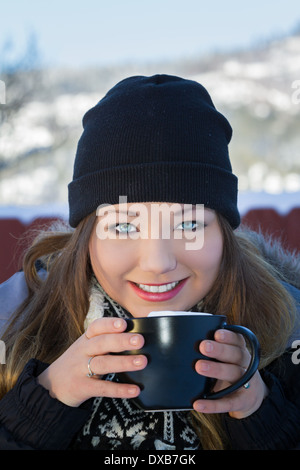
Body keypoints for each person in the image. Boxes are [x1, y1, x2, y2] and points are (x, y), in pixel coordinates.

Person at [0, 74, 299, 450]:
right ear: (87, 236)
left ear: (225, 234)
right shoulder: (11, 331)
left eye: (190, 224)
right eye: (124, 226)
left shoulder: (289, 332)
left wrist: (263, 416)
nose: (158, 262)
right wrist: (40, 406)